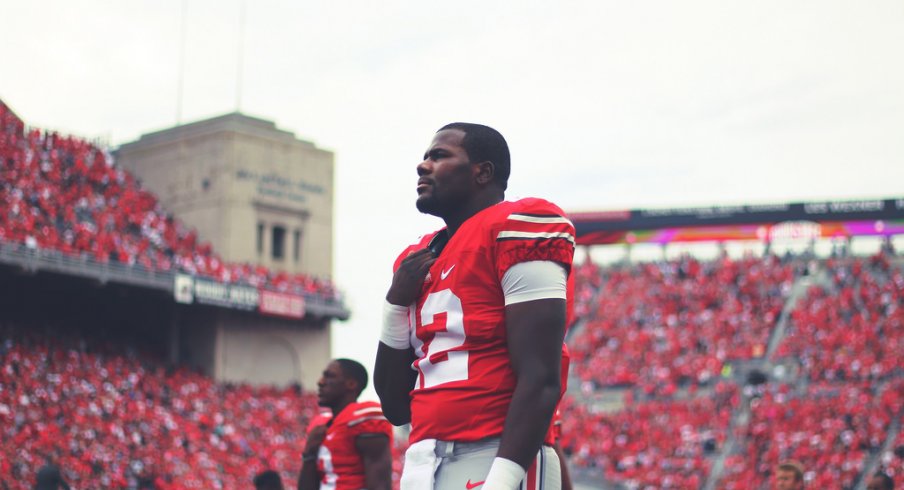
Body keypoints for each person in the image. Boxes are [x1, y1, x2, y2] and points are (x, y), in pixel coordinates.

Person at [375, 122, 574, 489]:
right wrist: (395, 303)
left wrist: (502, 480)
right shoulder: (415, 258)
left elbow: (542, 377)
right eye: (424, 156)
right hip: (422, 461)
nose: (423, 165)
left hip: (494, 453)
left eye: (439, 155)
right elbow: (395, 406)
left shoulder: (520, 224)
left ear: (482, 172)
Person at [298, 359, 393, 490]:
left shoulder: (364, 418)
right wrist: (309, 452)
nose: (320, 382)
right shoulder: (319, 425)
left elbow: (380, 485)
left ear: (351, 384)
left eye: (330, 376)